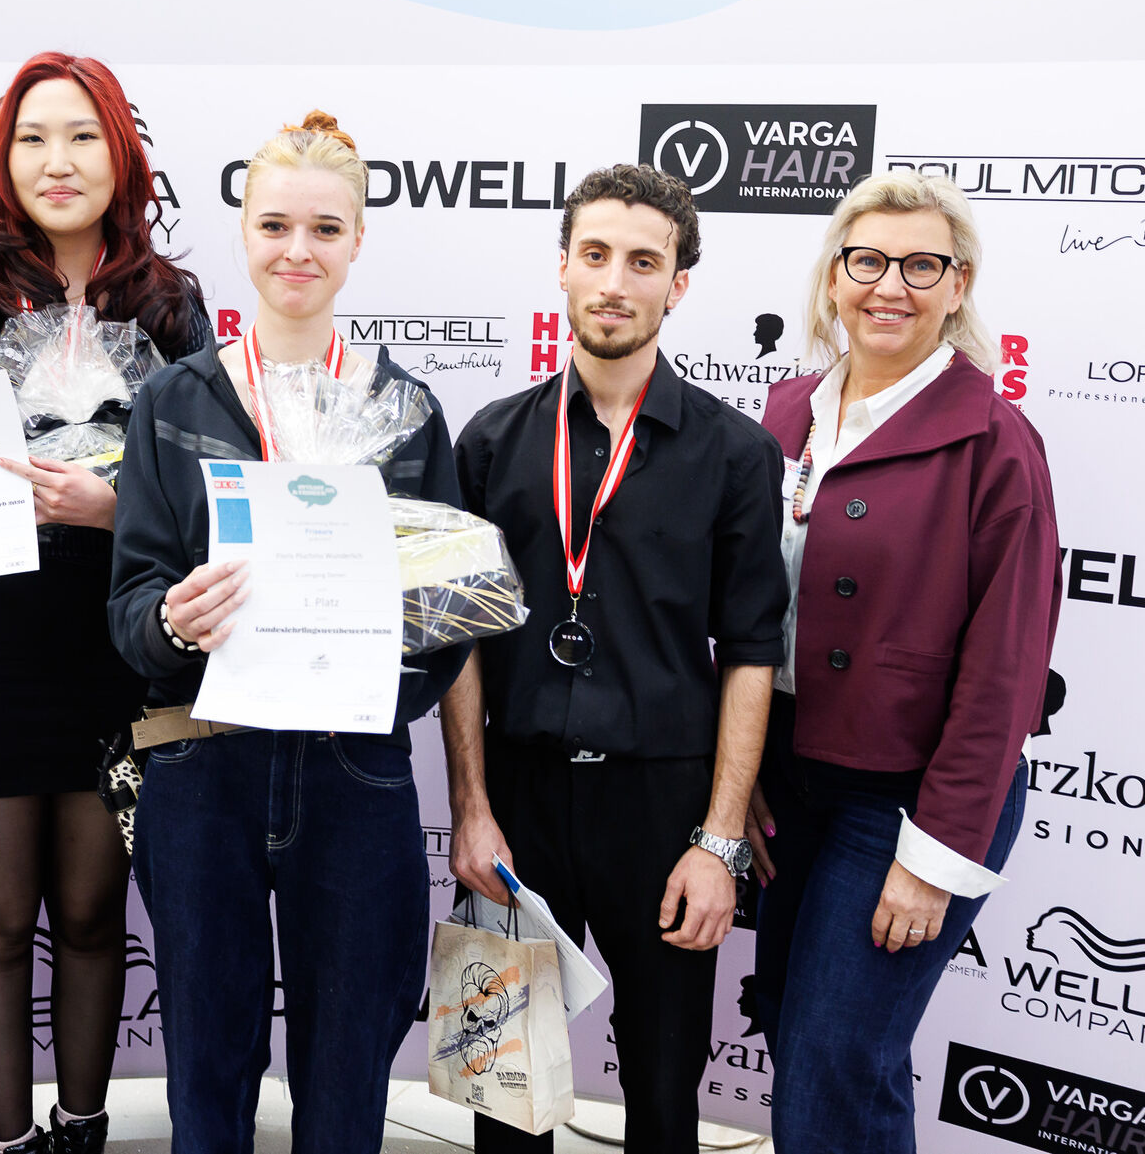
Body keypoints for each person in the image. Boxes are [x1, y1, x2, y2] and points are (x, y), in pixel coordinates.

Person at [106, 112, 471, 1154]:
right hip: (202, 762)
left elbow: (447, 618)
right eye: (274, 226)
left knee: (348, 1067)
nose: (297, 251)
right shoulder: (174, 401)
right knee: (206, 1062)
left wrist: (366, 673)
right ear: (243, 233)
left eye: (324, 228)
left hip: (353, 767)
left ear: (357, 241)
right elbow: (129, 605)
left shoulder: (406, 410)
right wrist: (172, 622)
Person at [0, 52, 211, 1154]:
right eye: (31, 138)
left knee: (95, 913)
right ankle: (11, 1145)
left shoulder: (170, 302)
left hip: (123, 654)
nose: (56, 162)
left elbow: (216, 494)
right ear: (1, 157)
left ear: (121, 153)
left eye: (80, 136)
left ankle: (81, 1129)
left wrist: (115, 510)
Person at [440, 164, 787, 1154]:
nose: (614, 281)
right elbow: (461, 639)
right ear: (562, 266)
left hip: (662, 809)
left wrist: (719, 842)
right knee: (506, 1094)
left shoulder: (736, 454)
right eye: (594, 254)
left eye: (643, 261)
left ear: (679, 284)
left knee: (665, 1096)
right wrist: (472, 809)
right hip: (516, 802)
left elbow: (752, 653)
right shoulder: (491, 441)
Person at [748, 170, 1060, 1152]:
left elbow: (1005, 676)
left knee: (837, 1059)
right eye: (869, 261)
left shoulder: (996, 443)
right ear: (835, 276)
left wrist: (933, 860)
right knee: (805, 1036)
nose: (891, 286)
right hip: (788, 781)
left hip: (906, 803)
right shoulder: (785, 412)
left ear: (958, 284)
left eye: (922, 265)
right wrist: (740, 777)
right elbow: (746, 614)